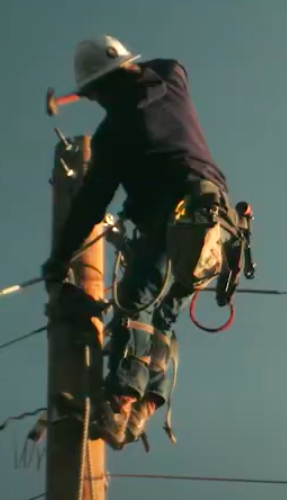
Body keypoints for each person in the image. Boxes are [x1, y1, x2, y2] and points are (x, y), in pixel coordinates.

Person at [41, 35, 233, 450]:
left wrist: (59, 258)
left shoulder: (115, 134)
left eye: (95, 95)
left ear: (102, 88)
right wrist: (125, 68)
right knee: (162, 316)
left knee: (135, 300)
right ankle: (140, 410)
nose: (97, 103)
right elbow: (172, 63)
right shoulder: (170, 81)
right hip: (216, 223)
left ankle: (119, 401)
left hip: (176, 214)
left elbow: (91, 204)